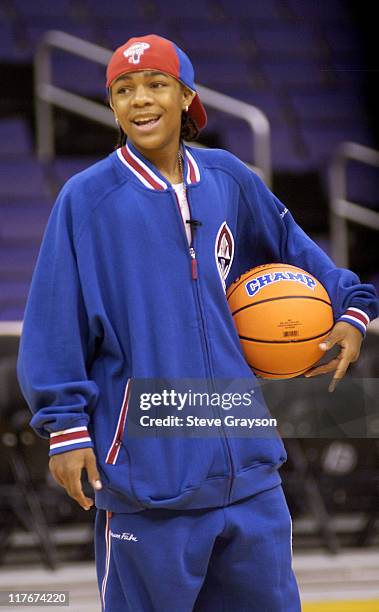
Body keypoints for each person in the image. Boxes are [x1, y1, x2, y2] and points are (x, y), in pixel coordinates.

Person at [17, 34, 378, 612]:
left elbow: (298, 250)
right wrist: (65, 428)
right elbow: (54, 323)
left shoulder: (229, 177)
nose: (140, 100)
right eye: (123, 90)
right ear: (111, 106)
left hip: (250, 472)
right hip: (148, 478)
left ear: (186, 97)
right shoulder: (85, 199)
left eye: (156, 85)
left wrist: (354, 313)